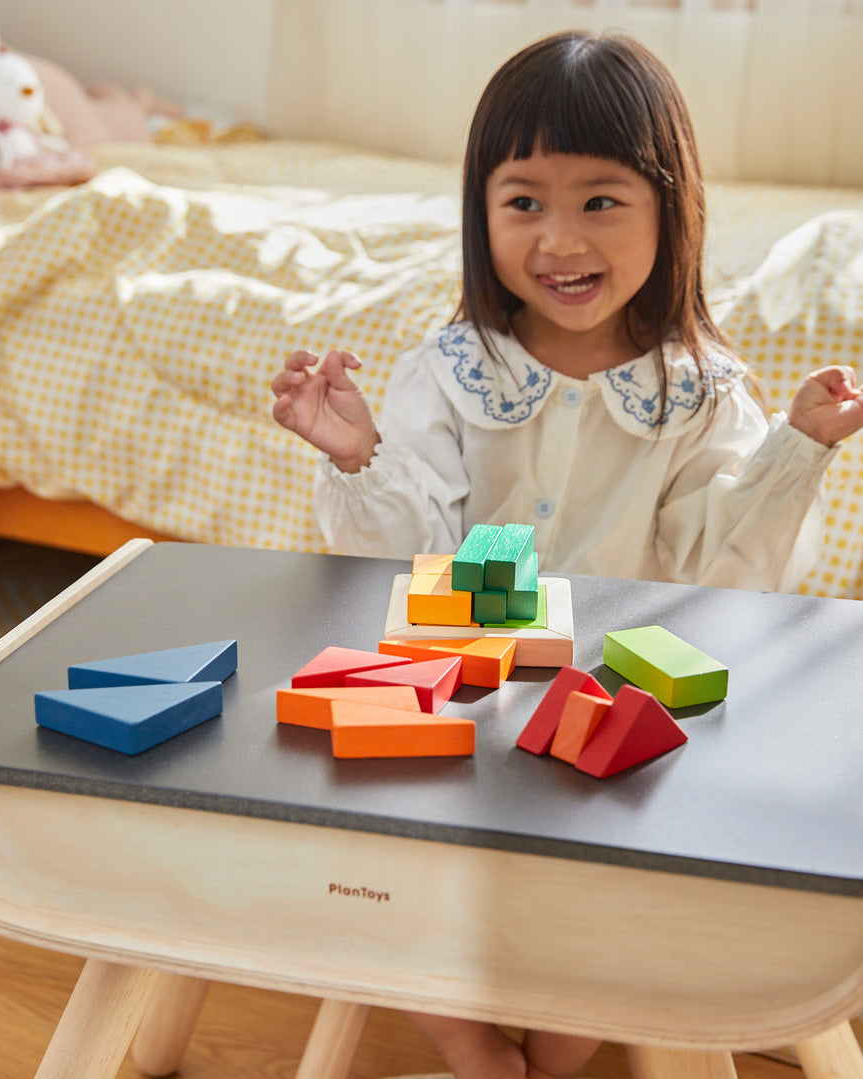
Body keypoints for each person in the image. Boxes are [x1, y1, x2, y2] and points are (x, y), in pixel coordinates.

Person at [271, 30, 863, 1077]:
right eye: (524, 201)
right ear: (481, 212)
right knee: (353, 870)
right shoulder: (448, 371)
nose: (560, 238)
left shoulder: (702, 390)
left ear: (668, 209)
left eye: (600, 199)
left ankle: (548, 1049)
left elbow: (722, 573)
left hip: (624, 706)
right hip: (463, 694)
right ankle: (476, 1049)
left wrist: (797, 450)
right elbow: (412, 561)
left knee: (636, 893)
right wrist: (361, 455)